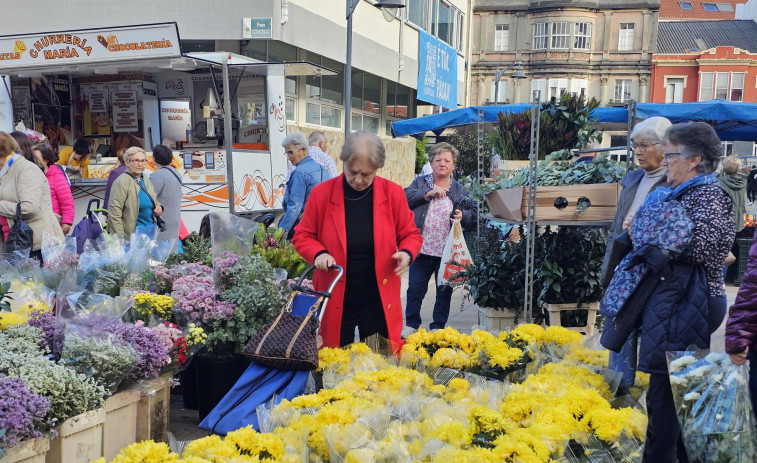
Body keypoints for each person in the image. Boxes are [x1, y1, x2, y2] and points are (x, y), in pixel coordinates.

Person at [625, 122, 734, 462]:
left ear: (693, 161)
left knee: (668, 397)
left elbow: (700, 247)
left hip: (692, 302)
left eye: (670, 154)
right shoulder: (683, 194)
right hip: (675, 301)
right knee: (675, 397)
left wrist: (648, 232)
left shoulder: (710, 196)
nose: (665, 161)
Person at [293, 130, 422, 348]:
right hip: (334, 291)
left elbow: (411, 234)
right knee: (333, 358)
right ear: (343, 162)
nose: (358, 180)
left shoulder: (393, 193)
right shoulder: (322, 194)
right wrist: (318, 253)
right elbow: (303, 235)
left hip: (378, 294)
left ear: (377, 169)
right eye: (352, 172)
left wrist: (407, 253)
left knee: (380, 360)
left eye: (366, 174)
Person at [601, 116, 670, 393]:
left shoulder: (672, 184)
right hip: (624, 268)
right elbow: (617, 227)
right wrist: (608, 269)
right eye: (634, 146)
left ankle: (643, 399)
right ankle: (618, 394)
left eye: (644, 145)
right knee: (619, 332)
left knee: (649, 337)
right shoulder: (633, 179)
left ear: (665, 148)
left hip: (651, 272)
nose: (638, 152)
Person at [402, 142, 477, 336]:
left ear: (453, 165)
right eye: (438, 160)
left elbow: (475, 213)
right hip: (421, 249)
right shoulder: (420, 182)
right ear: (431, 162)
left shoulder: (460, 190)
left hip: (447, 252)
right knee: (415, 290)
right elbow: (404, 198)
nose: (442, 164)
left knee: (444, 292)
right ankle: (411, 324)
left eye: (447, 160)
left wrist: (463, 215)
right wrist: (428, 193)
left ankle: (438, 327)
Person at [0, 132, 63, 263]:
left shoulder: (26, 169)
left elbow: (29, 207)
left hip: (34, 246)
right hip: (15, 244)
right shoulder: (6, 171)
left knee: (32, 283)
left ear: (4, 154)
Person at [107, 147, 163, 239]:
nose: (140, 164)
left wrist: (159, 207)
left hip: (149, 233)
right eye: (136, 160)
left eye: (143, 161)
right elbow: (114, 212)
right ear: (127, 162)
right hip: (131, 237)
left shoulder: (145, 178)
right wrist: (120, 239)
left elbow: (152, 200)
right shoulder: (122, 181)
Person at [280, 132, 330, 236]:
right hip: (323, 225)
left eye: (291, 152)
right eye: (287, 153)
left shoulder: (300, 172)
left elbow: (295, 207)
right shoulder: (323, 169)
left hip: (304, 226)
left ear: (303, 150)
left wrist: (280, 233)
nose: (289, 157)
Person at [33, 144, 75, 235]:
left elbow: (67, 201)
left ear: (46, 159)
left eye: (37, 157)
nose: (34, 160)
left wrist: (67, 222)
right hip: (36, 222)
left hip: (53, 221)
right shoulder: (32, 175)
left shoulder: (56, 175)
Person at [149, 144, 182, 250]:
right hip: (174, 220)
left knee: (160, 256)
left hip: (162, 223)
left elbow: (150, 197)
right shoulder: (175, 173)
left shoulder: (158, 175)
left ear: (154, 158)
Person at [718, 155, 747, 233]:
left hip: (724, 223)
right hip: (738, 221)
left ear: (724, 167)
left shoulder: (719, 182)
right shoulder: (742, 183)